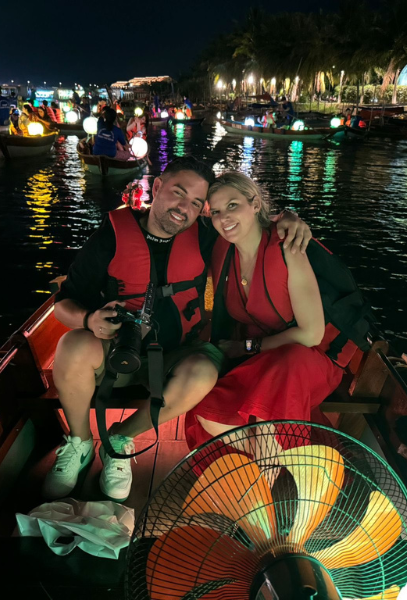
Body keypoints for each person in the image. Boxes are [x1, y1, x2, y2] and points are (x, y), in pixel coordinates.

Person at [42, 157, 312, 502]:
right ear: (156, 188)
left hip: (181, 351)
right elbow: (63, 304)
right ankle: (80, 443)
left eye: (197, 203)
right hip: (119, 352)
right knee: (71, 345)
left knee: (202, 374)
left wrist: (286, 217)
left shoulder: (204, 235)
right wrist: (88, 320)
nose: (184, 208)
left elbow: (246, 222)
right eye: (177, 194)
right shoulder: (110, 235)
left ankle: (119, 439)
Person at [185, 172, 349, 450]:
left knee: (287, 364)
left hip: (307, 358)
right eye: (216, 212)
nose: (224, 218)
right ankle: (280, 461)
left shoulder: (288, 247)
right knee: (201, 403)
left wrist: (246, 347)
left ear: (255, 204)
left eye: (233, 205)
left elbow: (311, 334)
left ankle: (269, 469)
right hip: (258, 357)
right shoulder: (221, 248)